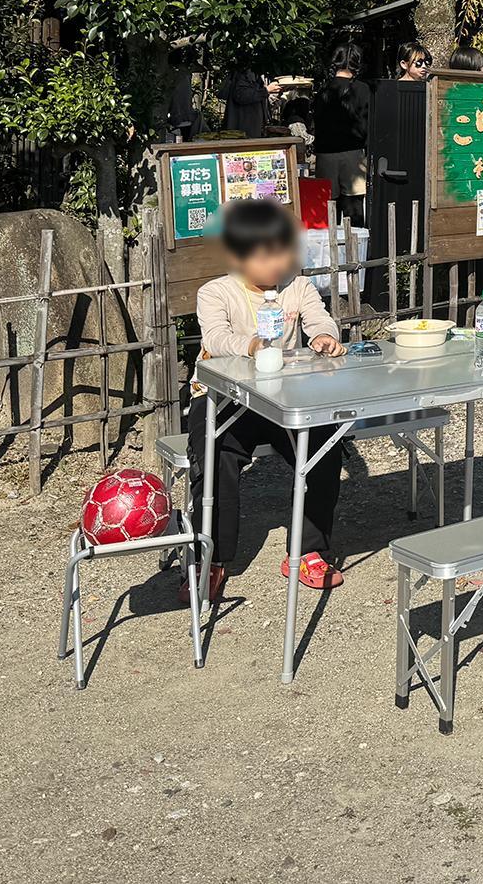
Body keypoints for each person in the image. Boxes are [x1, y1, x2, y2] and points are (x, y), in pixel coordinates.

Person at [186, 199, 348, 602]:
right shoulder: (216, 292)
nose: (277, 263)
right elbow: (215, 338)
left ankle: (309, 549)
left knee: (325, 446)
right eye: (265, 254)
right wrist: (252, 344)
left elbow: (319, 317)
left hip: (283, 396)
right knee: (214, 454)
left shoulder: (298, 286)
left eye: (283, 251)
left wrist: (325, 335)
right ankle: (212, 557)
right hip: (224, 396)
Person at [313, 44, 372, 225]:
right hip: (353, 153)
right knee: (353, 207)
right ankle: (355, 249)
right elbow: (368, 123)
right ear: (357, 64)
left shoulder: (323, 91)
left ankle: (331, 248)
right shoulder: (364, 89)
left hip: (325, 154)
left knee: (328, 206)